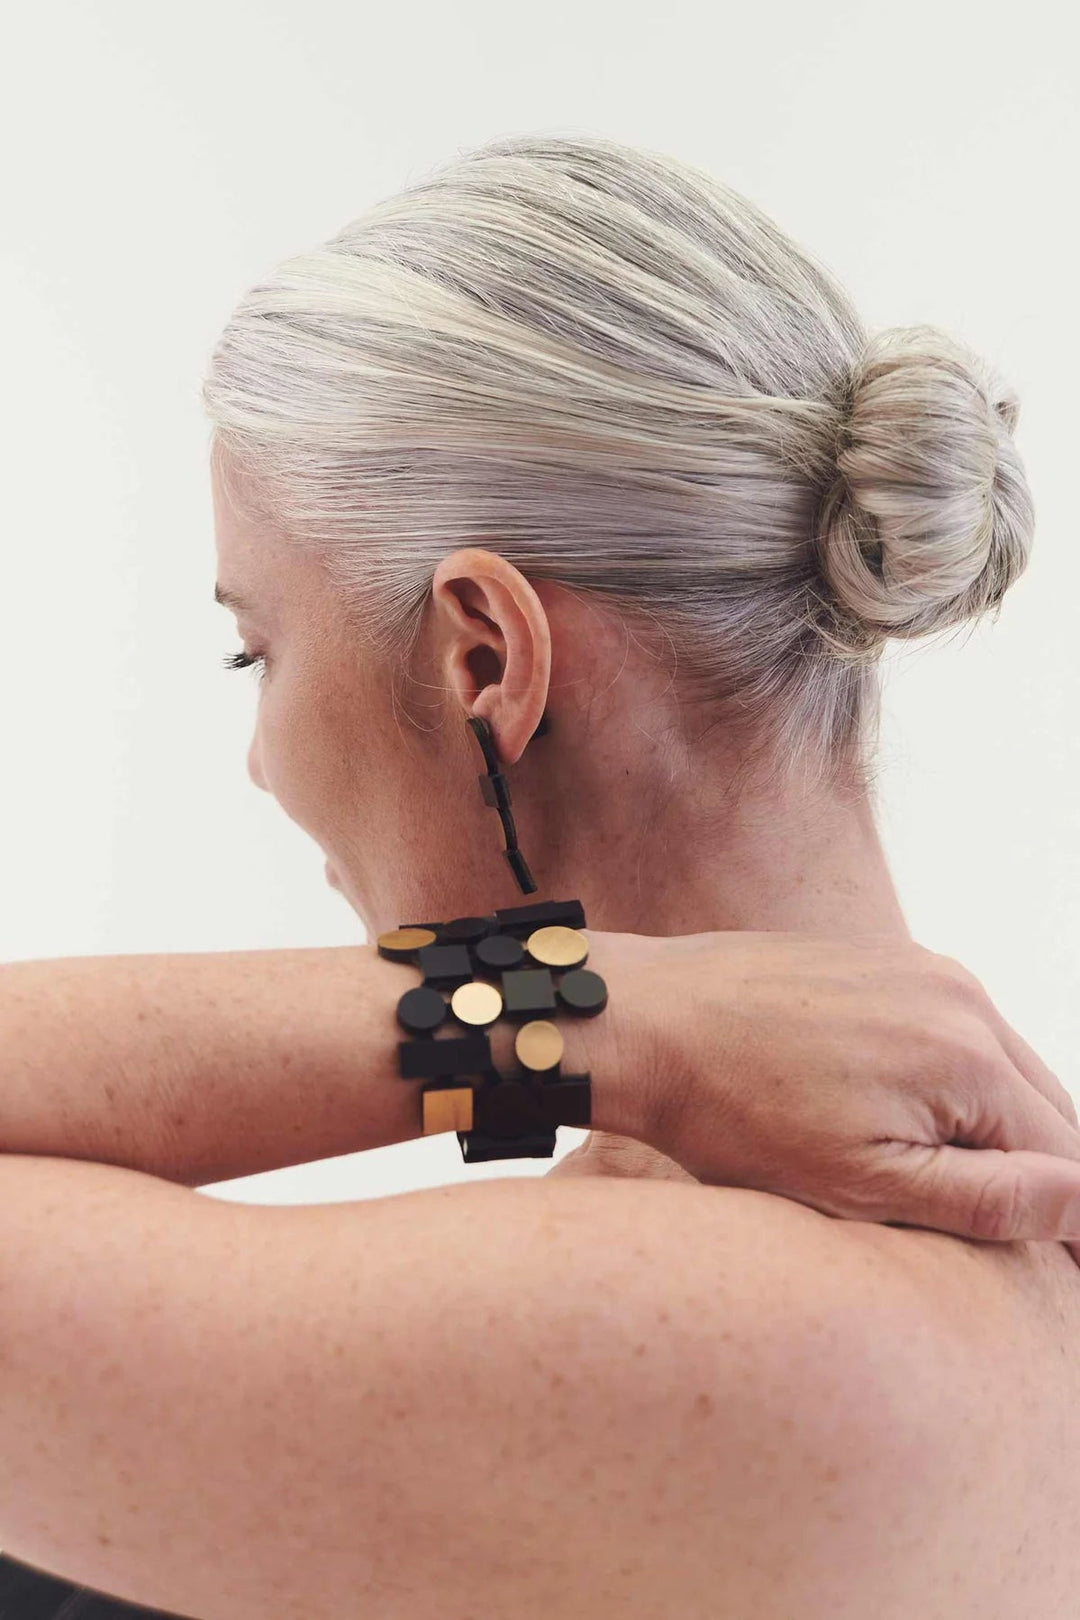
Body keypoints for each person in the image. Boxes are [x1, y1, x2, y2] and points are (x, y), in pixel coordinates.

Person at [1, 133, 1078, 1618]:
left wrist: (587, 1012)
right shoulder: (978, 1272)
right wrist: (617, 1028)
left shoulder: (754, 1342)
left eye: (257, 649)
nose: (257, 763)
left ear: (485, 657)